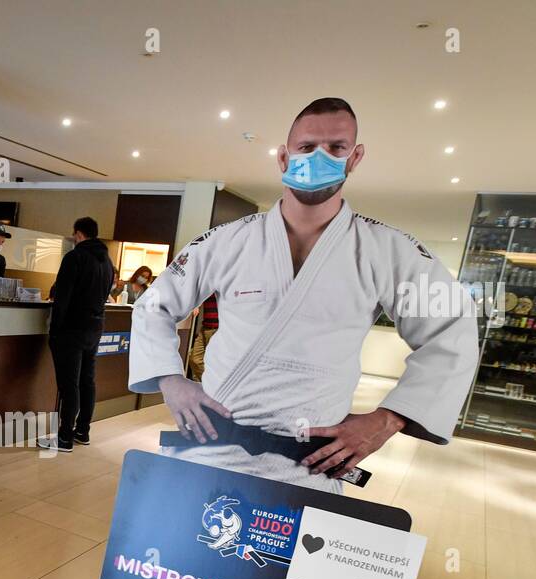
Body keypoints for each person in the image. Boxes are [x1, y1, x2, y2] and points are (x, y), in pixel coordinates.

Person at [129, 97, 478, 490]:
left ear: (355, 157)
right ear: (283, 157)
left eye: (336, 148)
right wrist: (169, 379)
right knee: (186, 547)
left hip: (310, 461)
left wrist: (388, 419)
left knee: (288, 552)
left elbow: (453, 328)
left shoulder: (389, 249)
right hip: (212, 444)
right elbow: (153, 305)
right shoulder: (228, 240)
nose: (319, 157)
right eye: (307, 147)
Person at [39, 216, 116, 453]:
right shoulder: (108, 263)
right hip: (95, 328)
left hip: (71, 330)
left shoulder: (75, 257)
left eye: (74, 234)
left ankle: (64, 438)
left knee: (69, 384)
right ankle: (82, 431)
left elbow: (63, 296)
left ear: (79, 234)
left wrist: (55, 330)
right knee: (87, 380)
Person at [187, 293, 219, 380]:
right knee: (195, 359)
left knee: (213, 363)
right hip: (205, 326)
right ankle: (205, 386)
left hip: (217, 329)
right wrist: (196, 304)